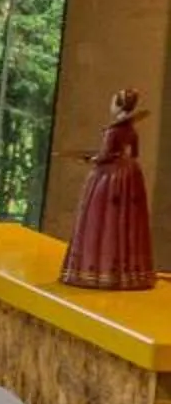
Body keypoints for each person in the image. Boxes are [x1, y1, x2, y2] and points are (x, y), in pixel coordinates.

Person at [62, 86, 157, 290]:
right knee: (126, 221)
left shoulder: (113, 131)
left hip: (110, 177)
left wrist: (91, 158)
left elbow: (104, 156)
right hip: (130, 175)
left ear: (119, 105)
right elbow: (135, 154)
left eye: (113, 101)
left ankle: (99, 270)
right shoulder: (131, 130)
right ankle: (129, 272)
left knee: (100, 218)